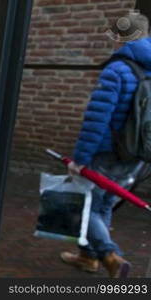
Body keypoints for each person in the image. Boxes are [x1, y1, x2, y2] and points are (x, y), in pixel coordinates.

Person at [60, 12, 151, 278]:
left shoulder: (118, 69)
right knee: (103, 205)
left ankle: (110, 256)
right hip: (135, 154)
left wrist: (80, 159)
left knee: (81, 204)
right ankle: (87, 258)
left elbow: (97, 119)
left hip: (105, 154)